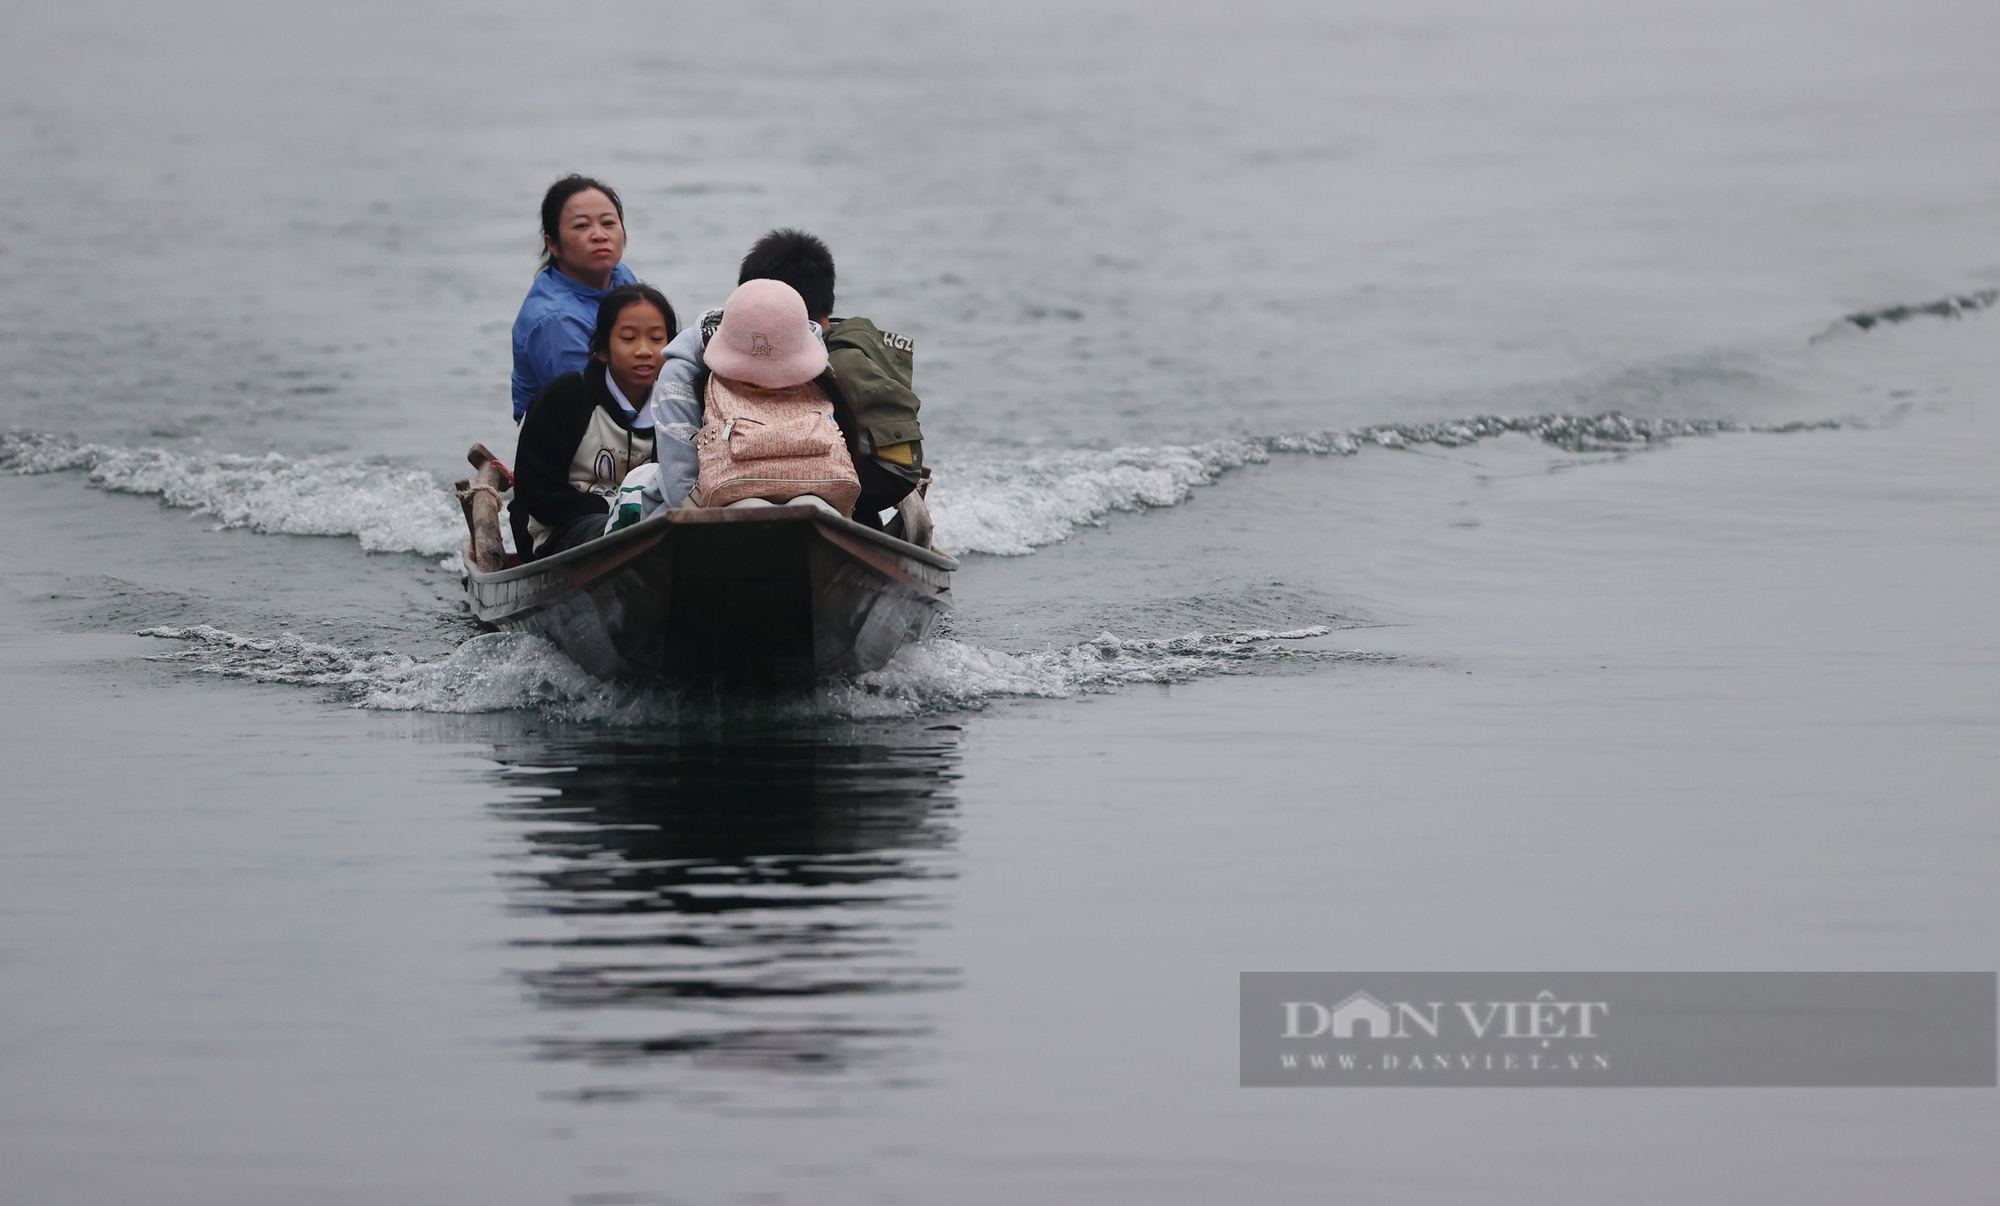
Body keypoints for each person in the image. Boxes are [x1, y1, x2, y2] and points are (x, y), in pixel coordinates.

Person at [658, 229, 925, 529]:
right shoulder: (848, 345)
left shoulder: (824, 357)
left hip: (863, 478)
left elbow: (676, 481)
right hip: (888, 473)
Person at [513, 283, 697, 559]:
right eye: (628, 338)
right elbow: (535, 491)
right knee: (630, 535)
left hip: (652, 529)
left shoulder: (680, 407)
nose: (644, 351)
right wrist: (612, 510)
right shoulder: (564, 397)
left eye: (657, 339)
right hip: (562, 534)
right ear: (602, 348)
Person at [689, 279, 862, 516]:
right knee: (817, 511)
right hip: (821, 496)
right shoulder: (824, 384)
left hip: (735, 494)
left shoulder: (703, 380)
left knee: (747, 511)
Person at [510, 175, 639, 423]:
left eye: (608, 223)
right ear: (553, 244)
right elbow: (588, 407)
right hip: (572, 437)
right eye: (581, 226)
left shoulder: (620, 276)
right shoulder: (555, 320)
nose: (599, 235)